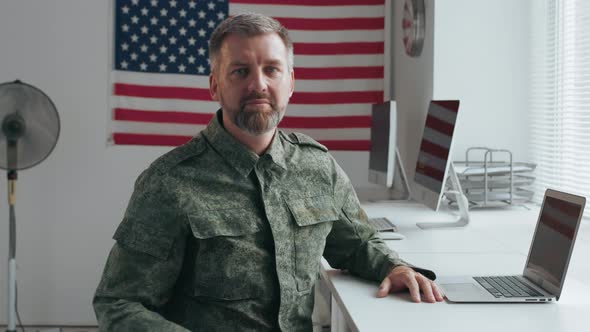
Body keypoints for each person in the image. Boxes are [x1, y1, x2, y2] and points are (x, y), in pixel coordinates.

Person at [93, 12, 443, 332]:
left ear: (290, 82)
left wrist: (393, 267)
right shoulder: (170, 182)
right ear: (215, 85)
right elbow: (119, 304)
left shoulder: (317, 166)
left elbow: (356, 243)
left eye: (271, 69)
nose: (258, 85)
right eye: (240, 71)